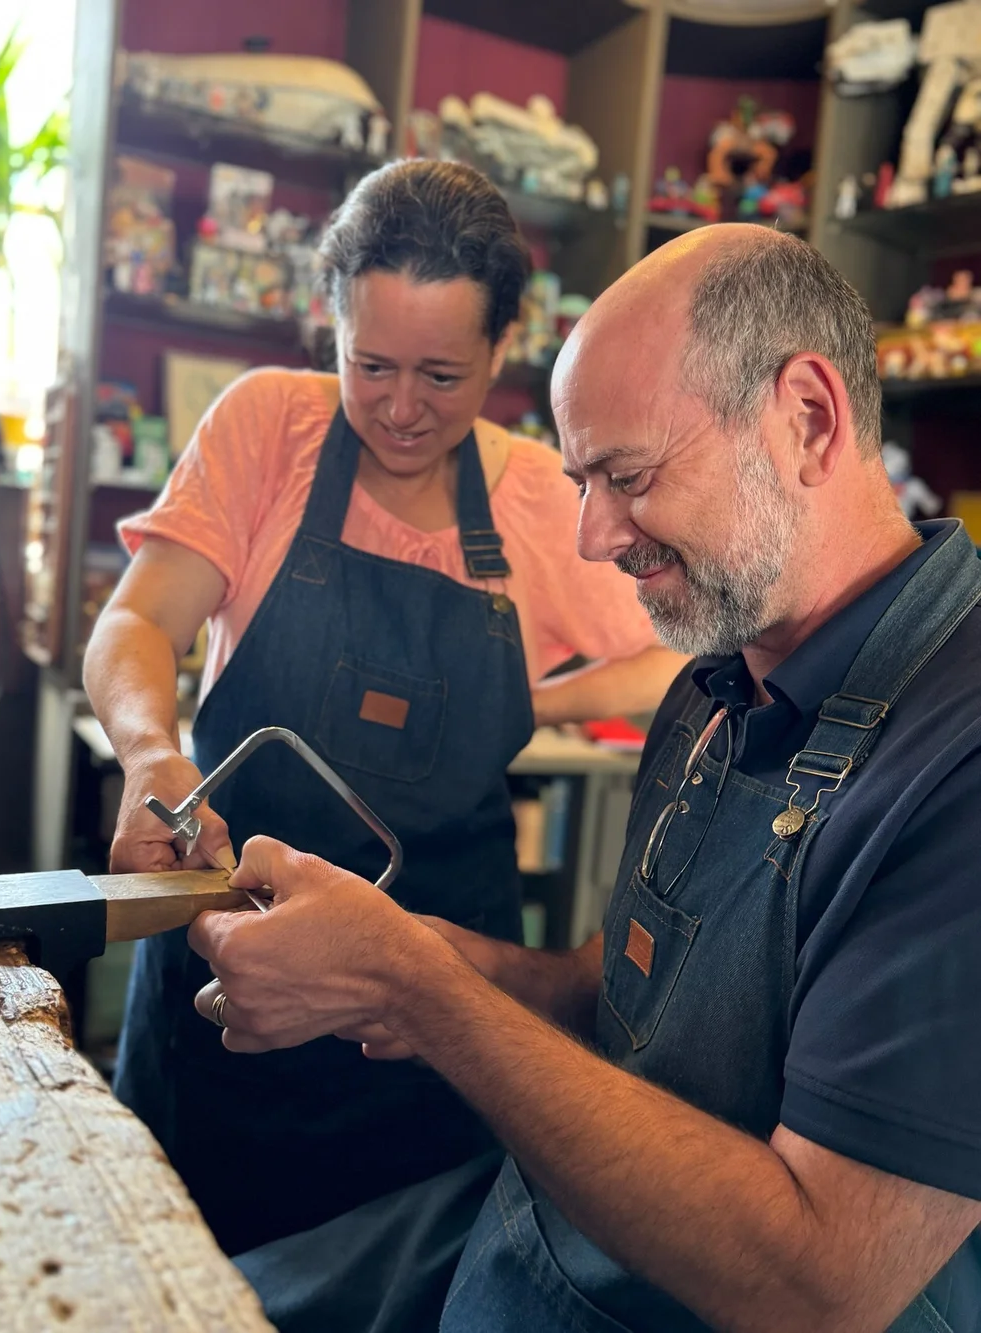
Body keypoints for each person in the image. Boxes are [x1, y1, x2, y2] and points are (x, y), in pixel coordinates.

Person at [189, 225, 981, 1333]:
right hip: (543, 1241)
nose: (592, 534)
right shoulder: (714, 689)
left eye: (628, 475)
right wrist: (420, 957)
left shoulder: (956, 760)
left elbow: (821, 1280)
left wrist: (426, 994)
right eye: (577, 479)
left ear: (806, 418)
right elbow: (624, 1001)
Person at [83, 159, 685, 1255]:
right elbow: (134, 625)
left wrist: (539, 700)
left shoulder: (542, 503)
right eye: (372, 366)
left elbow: (675, 659)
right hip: (226, 985)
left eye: (443, 376)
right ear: (332, 327)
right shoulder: (268, 429)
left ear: (504, 352)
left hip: (422, 1012)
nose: (402, 408)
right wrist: (149, 753)